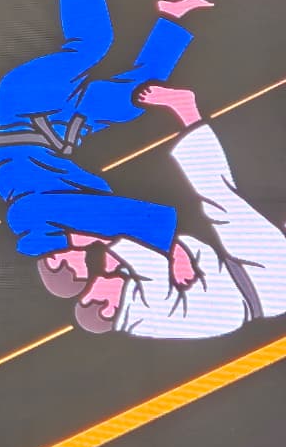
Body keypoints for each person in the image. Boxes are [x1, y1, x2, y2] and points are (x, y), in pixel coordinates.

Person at [0, 0, 210, 285]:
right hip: (67, 124)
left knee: (91, 45)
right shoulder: (60, 226)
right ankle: (171, 17)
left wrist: (172, 248)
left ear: (55, 260)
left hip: (26, 103)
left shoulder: (29, 221)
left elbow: (111, 214)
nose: (84, 256)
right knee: (137, 96)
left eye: (78, 261)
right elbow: (102, 212)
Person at [65, 86, 286, 339]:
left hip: (243, 280)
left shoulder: (134, 312)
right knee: (220, 197)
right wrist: (102, 240)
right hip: (267, 280)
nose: (95, 281)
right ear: (108, 309)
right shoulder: (145, 311)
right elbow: (150, 260)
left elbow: (146, 256)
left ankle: (186, 109)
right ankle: (186, 108)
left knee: (219, 202)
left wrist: (112, 252)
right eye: (94, 291)